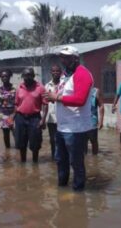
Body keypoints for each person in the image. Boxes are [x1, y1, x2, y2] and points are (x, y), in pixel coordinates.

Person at [44, 45, 93, 191]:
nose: (63, 60)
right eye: (62, 57)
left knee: (76, 163)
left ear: (75, 58)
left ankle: (78, 195)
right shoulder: (66, 75)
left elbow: (80, 100)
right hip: (62, 127)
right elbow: (65, 96)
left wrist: (57, 97)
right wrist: (52, 98)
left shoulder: (82, 74)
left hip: (76, 128)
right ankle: (62, 189)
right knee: (60, 160)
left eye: (66, 57)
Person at [14, 68, 47, 163]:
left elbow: (45, 104)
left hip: (35, 118)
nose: (27, 77)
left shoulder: (40, 88)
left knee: (35, 143)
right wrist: (13, 119)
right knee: (21, 143)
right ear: (22, 77)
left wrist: (43, 120)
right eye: (25, 75)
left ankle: (35, 164)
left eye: (29, 75)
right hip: (20, 118)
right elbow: (16, 104)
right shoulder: (19, 88)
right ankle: (23, 163)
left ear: (33, 76)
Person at [0, 69, 16, 149]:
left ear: (10, 77)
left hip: (13, 113)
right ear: (0, 77)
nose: (5, 78)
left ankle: (18, 150)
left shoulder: (14, 88)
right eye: (3, 76)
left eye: (6, 76)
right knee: (6, 134)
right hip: (3, 114)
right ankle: (7, 151)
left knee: (15, 133)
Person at [45, 63, 62, 160]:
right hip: (51, 118)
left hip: (63, 117)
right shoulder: (47, 85)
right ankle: (54, 157)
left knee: (63, 139)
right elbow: (45, 101)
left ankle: (62, 156)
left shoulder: (64, 84)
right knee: (52, 139)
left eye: (57, 71)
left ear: (60, 72)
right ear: (51, 72)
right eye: (53, 71)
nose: (55, 73)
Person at [86, 87, 104, 155]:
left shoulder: (96, 91)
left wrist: (101, 121)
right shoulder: (79, 89)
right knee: (82, 142)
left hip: (92, 121)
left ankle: (95, 158)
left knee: (93, 140)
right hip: (81, 121)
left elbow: (101, 105)